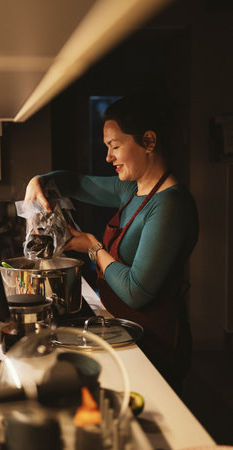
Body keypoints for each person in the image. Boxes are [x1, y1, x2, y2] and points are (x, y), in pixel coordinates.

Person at [24, 94, 199, 394]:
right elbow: (74, 183)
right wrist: (37, 181)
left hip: (156, 341)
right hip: (125, 329)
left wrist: (93, 247)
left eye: (115, 147)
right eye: (107, 148)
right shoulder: (130, 189)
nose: (108, 158)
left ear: (149, 141)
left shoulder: (171, 206)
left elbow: (136, 291)